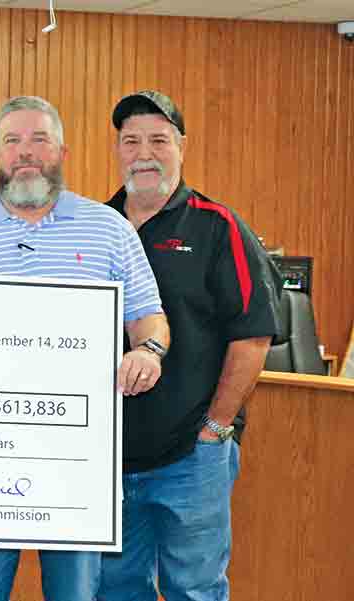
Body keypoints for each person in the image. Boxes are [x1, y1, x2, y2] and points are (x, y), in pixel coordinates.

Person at [0, 95, 170, 601]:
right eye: (13, 141)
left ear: (62, 151)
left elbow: (150, 318)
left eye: (39, 140)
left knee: (77, 594)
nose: (26, 153)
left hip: (76, 460)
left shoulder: (109, 228)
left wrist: (147, 351)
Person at [98, 90, 281, 601]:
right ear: (116, 150)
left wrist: (216, 426)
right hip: (108, 456)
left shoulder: (218, 226)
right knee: (113, 589)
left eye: (158, 139)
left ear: (182, 146)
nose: (144, 152)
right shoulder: (96, 226)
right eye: (130, 140)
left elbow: (254, 334)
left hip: (191, 456)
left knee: (194, 589)